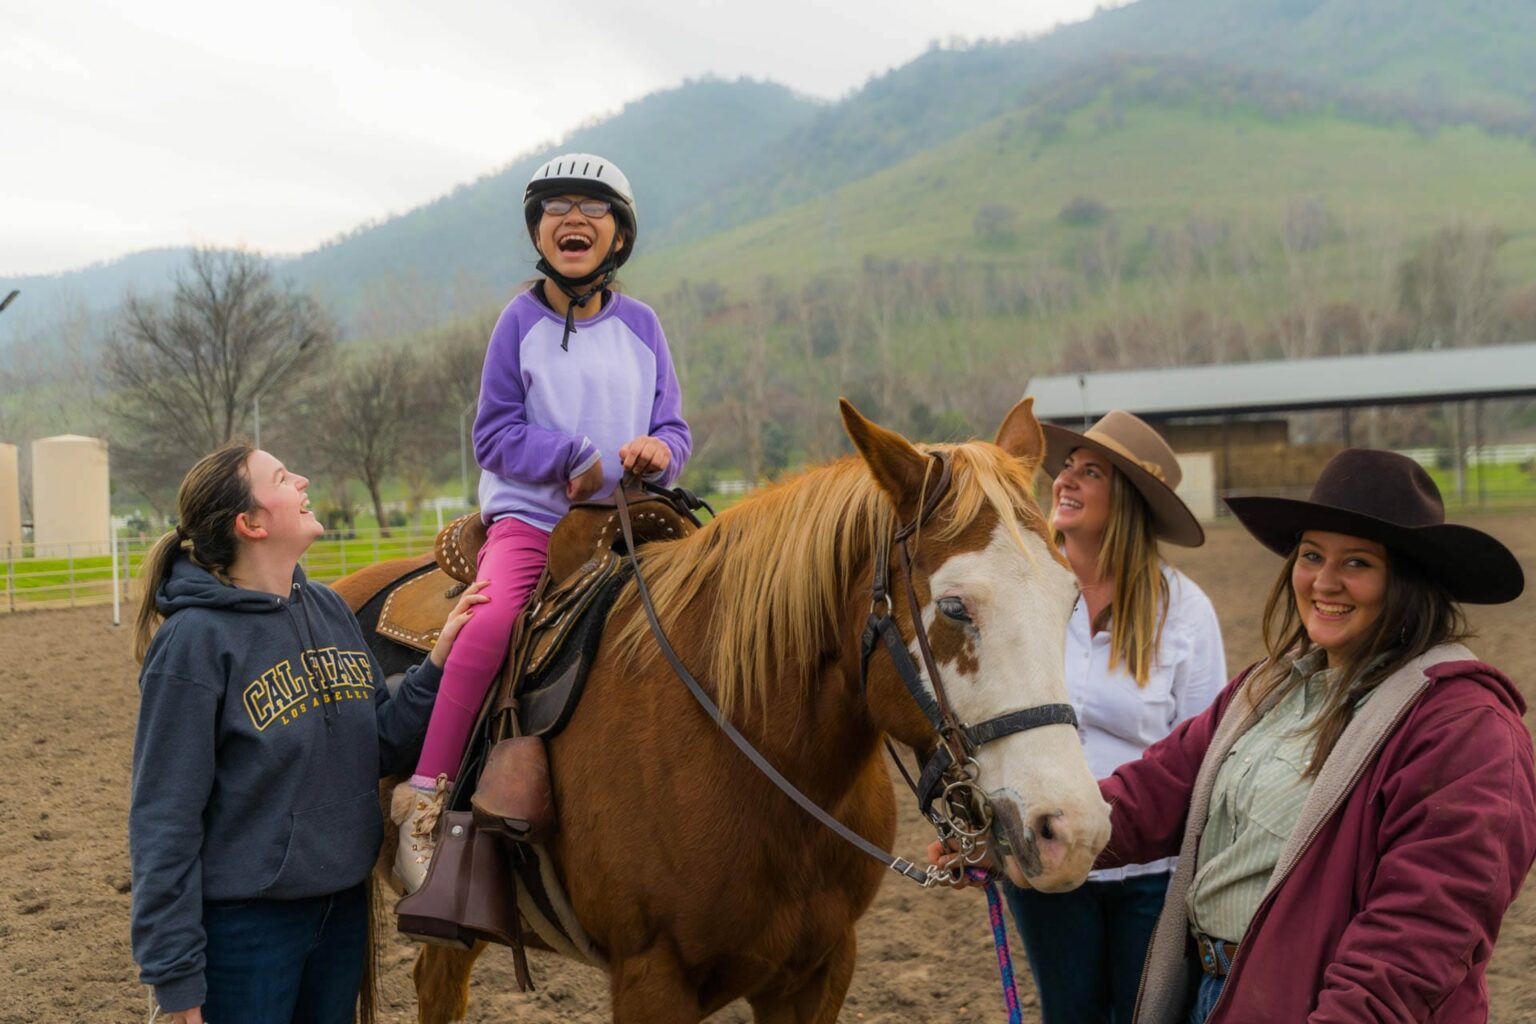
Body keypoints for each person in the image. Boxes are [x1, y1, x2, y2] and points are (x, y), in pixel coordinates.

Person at [941, 447, 1536, 1023]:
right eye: (1310, 556)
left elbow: (1419, 940)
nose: (1323, 582)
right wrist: (1007, 838)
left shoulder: (1466, 730)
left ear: (1411, 581)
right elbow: (1158, 791)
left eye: (1357, 562)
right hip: (1215, 994)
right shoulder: (1269, 689)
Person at [392, 152, 692, 891]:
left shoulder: (645, 326)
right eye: (556, 208)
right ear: (539, 231)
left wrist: (661, 451)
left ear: (618, 237)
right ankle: (425, 798)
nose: (573, 219)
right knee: (488, 625)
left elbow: (676, 432)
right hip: (534, 522)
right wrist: (572, 455)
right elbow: (492, 435)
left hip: (631, 521)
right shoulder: (517, 322)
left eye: (592, 209)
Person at [129, 443, 486, 1024]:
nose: (302, 479)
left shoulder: (327, 610)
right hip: (247, 931)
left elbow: (381, 743)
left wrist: (439, 663)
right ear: (250, 523)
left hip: (341, 913)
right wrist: (176, 984)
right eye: (280, 476)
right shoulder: (192, 644)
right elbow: (163, 822)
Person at [1005, 411, 1225, 1024]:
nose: (1064, 480)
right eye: (1065, 468)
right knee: (1069, 1014)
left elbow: (1207, 749)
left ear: (1125, 500)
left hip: (1152, 874)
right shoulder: (1026, 597)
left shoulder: (1183, 610)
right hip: (1049, 857)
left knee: (1145, 1014)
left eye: (1090, 472)